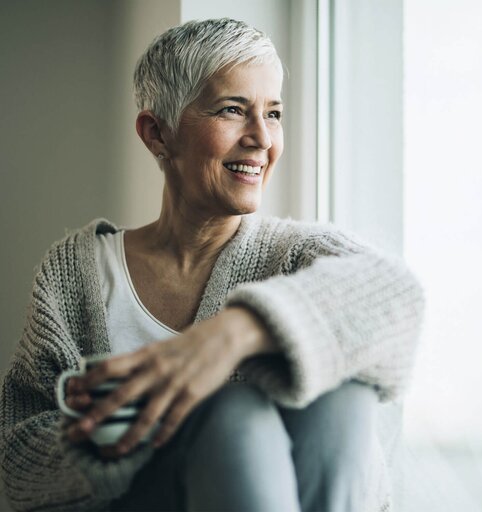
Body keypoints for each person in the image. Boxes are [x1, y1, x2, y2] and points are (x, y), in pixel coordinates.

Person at [0, 18, 424, 512]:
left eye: (274, 113)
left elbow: (396, 292)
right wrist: (159, 420)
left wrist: (230, 336)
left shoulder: (295, 255)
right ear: (158, 133)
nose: (262, 139)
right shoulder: (77, 274)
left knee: (342, 398)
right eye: (232, 110)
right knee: (233, 412)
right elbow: (17, 457)